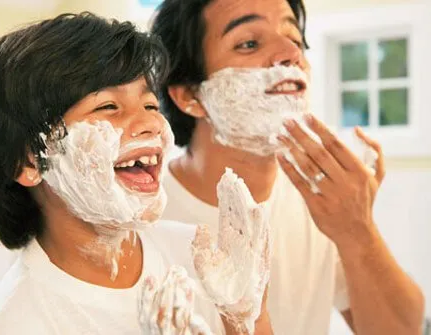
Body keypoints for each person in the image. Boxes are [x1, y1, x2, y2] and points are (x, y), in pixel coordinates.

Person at [0, 12, 275, 334]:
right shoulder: (16, 326)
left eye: (150, 105)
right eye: (108, 107)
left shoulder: (200, 258)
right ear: (29, 161)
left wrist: (246, 317)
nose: (151, 124)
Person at [151, 0, 425, 334]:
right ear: (190, 96)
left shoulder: (322, 202)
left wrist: (358, 230)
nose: (290, 53)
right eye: (249, 43)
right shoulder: (145, 218)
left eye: (294, 38)